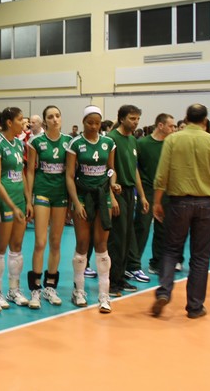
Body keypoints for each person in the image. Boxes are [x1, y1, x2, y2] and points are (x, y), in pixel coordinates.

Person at [151, 104, 210, 319]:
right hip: (207, 204)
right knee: (200, 256)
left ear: (186, 118)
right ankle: (195, 306)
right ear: (205, 121)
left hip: (178, 202)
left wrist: (157, 201)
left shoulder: (173, 140)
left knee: (171, 250)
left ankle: (164, 291)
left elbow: (162, 174)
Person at [66, 106, 119, 313]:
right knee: (82, 242)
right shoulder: (76, 144)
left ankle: (104, 295)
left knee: (102, 244)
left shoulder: (108, 143)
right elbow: (70, 175)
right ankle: (79, 291)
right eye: (90, 122)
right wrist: (76, 203)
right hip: (83, 195)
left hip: (103, 196)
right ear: (83, 122)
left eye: (97, 123)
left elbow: (111, 170)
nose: (94, 126)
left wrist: (113, 187)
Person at [25, 105, 71, 308]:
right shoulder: (36, 142)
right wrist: (29, 199)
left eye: (57, 116)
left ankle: (50, 287)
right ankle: (35, 289)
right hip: (42, 193)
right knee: (40, 242)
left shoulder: (69, 142)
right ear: (45, 121)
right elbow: (30, 171)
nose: (55, 119)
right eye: (50, 117)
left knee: (56, 242)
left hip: (60, 195)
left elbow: (71, 172)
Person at [0, 107, 29, 309]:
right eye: (20, 120)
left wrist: (27, 201)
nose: (24, 123)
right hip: (2, 202)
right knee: (1, 247)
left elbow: (21, 174)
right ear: (10, 123)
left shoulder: (19, 144)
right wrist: (12, 205)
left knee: (17, 246)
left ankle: (14, 290)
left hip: (19, 201)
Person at [107, 105, 150, 297]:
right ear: (122, 119)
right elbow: (108, 169)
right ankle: (111, 281)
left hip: (129, 193)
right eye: (132, 118)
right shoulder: (111, 139)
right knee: (117, 238)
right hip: (117, 191)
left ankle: (120, 276)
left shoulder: (133, 140)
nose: (136, 122)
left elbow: (134, 170)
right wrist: (111, 196)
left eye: (138, 119)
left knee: (126, 237)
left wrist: (142, 195)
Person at [131, 114, 176, 282]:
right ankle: (133, 264)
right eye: (171, 126)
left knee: (163, 229)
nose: (173, 129)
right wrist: (140, 193)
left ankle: (156, 263)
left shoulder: (171, 144)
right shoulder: (142, 143)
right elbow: (135, 167)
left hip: (165, 191)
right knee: (142, 227)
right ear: (160, 125)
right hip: (147, 190)